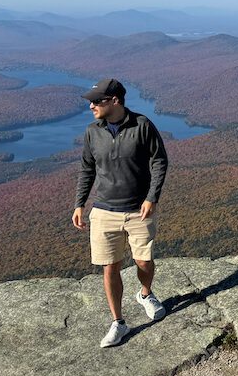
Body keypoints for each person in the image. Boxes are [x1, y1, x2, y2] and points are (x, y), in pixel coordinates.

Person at [72, 77, 169, 348]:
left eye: (97, 101)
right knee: (109, 267)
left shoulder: (142, 125)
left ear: (115, 101)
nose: (91, 105)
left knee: (144, 262)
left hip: (139, 210)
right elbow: (87, 169)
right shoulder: (93, 131)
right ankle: (119, 323)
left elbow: (159, 160)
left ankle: (145, 294)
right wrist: (80, 204)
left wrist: (152, 198)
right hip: (103, 211)